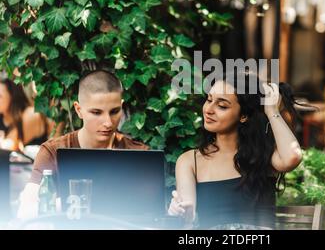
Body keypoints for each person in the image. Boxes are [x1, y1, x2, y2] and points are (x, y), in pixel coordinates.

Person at [168, 72, 302, 229]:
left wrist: (272, 110)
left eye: (222, 106)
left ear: (243, 115)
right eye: (209, 100)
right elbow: (187, 219)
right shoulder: (190, 161)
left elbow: (292, 156)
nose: (209, 110)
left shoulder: (261, 154)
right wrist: (181, 214)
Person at [17, 70, 148, 219]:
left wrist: (175, 209)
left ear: (122, 106)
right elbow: (25, 212)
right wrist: (73, 203)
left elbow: (153, 215)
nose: (108, 122)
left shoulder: (139, 153)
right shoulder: (53, 152)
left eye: (114, 111)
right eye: (97, 112)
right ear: (79, 110)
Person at [0, 79, 54, 152]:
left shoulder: (31, 114)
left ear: (13, 97)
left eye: (0, 96)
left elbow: (9, 146)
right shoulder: (2, 117)